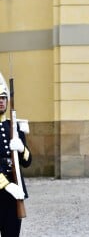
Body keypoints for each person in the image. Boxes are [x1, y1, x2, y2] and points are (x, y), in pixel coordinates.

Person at [0, 73, 32, 237]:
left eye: (4, 97)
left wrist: (21, 149)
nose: (1, 101)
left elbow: (27, 162)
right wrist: (6, 185)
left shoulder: (14, 126)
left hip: (15, 194)